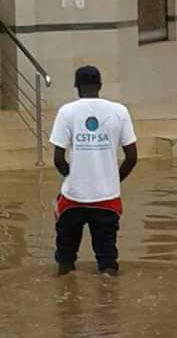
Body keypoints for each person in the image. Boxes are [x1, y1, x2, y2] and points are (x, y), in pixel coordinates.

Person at [49, 65, 138, 276]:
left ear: (76, 87)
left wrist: (74, 177)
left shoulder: (66, 112)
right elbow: (132, 157)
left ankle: (66, 301)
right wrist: (113, 180)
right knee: (108, 262)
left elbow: (58, 159)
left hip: (73, 199)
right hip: (108, 198)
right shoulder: (120, 111)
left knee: (65, 261)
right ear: (99, 85)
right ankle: (110, 302)